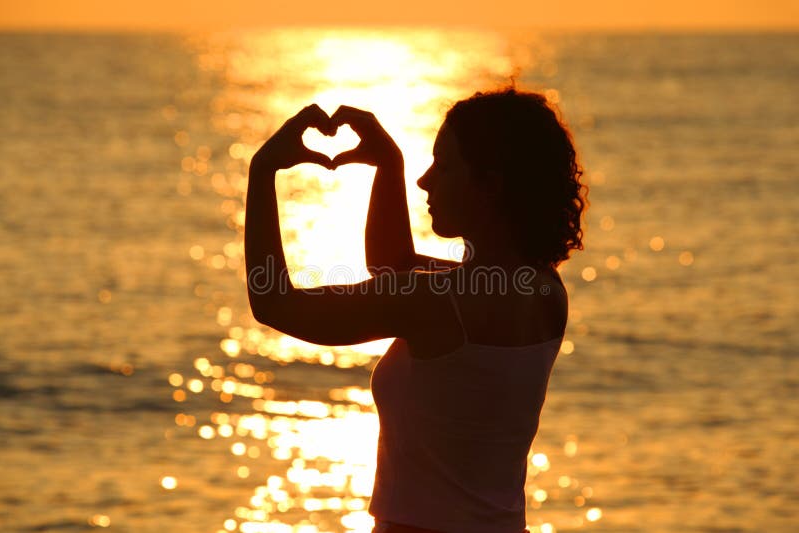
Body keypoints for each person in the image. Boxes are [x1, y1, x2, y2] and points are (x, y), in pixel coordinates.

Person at [244, 87, 588, 533]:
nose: (425, 181)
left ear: (490, 184)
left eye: (443, 166)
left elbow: (274, 302)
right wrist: (388, 163)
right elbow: (395, 267)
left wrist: (263, 170)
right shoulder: (543, 289)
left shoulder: (437, 302)